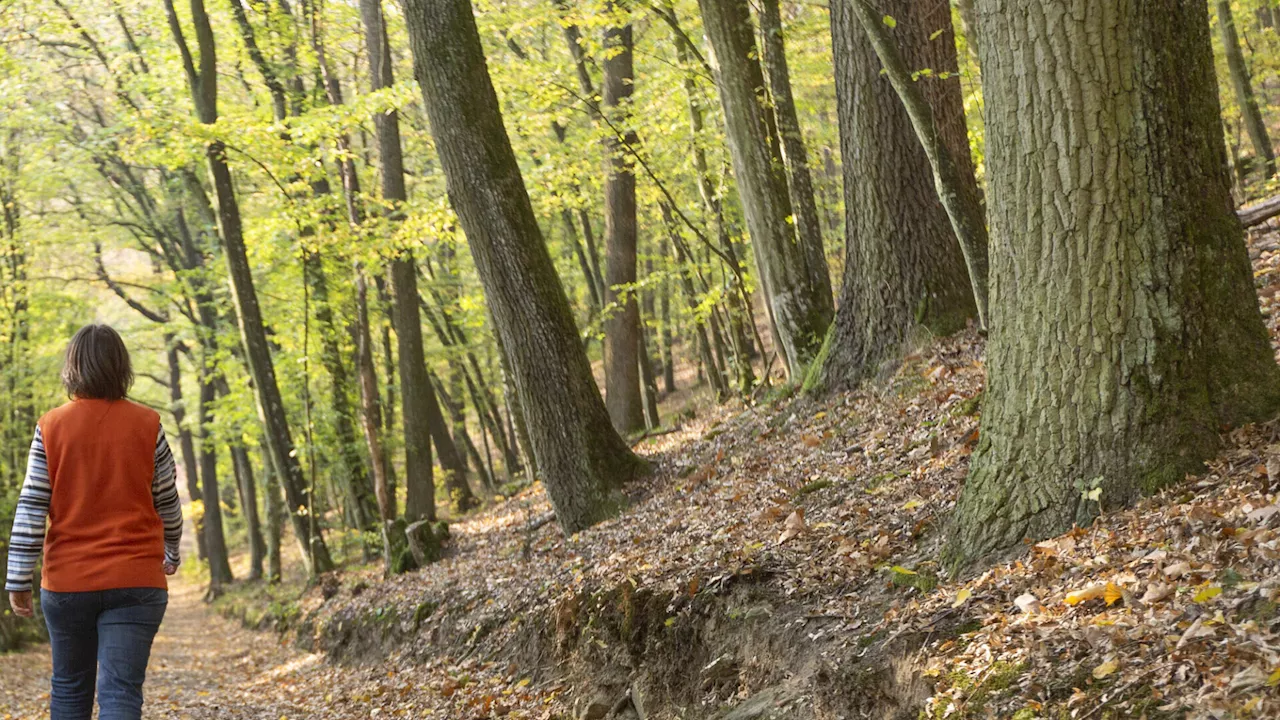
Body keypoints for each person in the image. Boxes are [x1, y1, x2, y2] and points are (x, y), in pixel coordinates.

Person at [5, 323, 183, 720]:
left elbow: (32, 506)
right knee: (121, 691)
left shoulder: (51, 427)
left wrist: (18, 578)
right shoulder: (148, 424)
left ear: (73, 368)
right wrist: (171, 548)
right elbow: (167, 499)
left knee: (69, 689)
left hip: (68, 582)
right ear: (122, 368)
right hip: (137, 580)